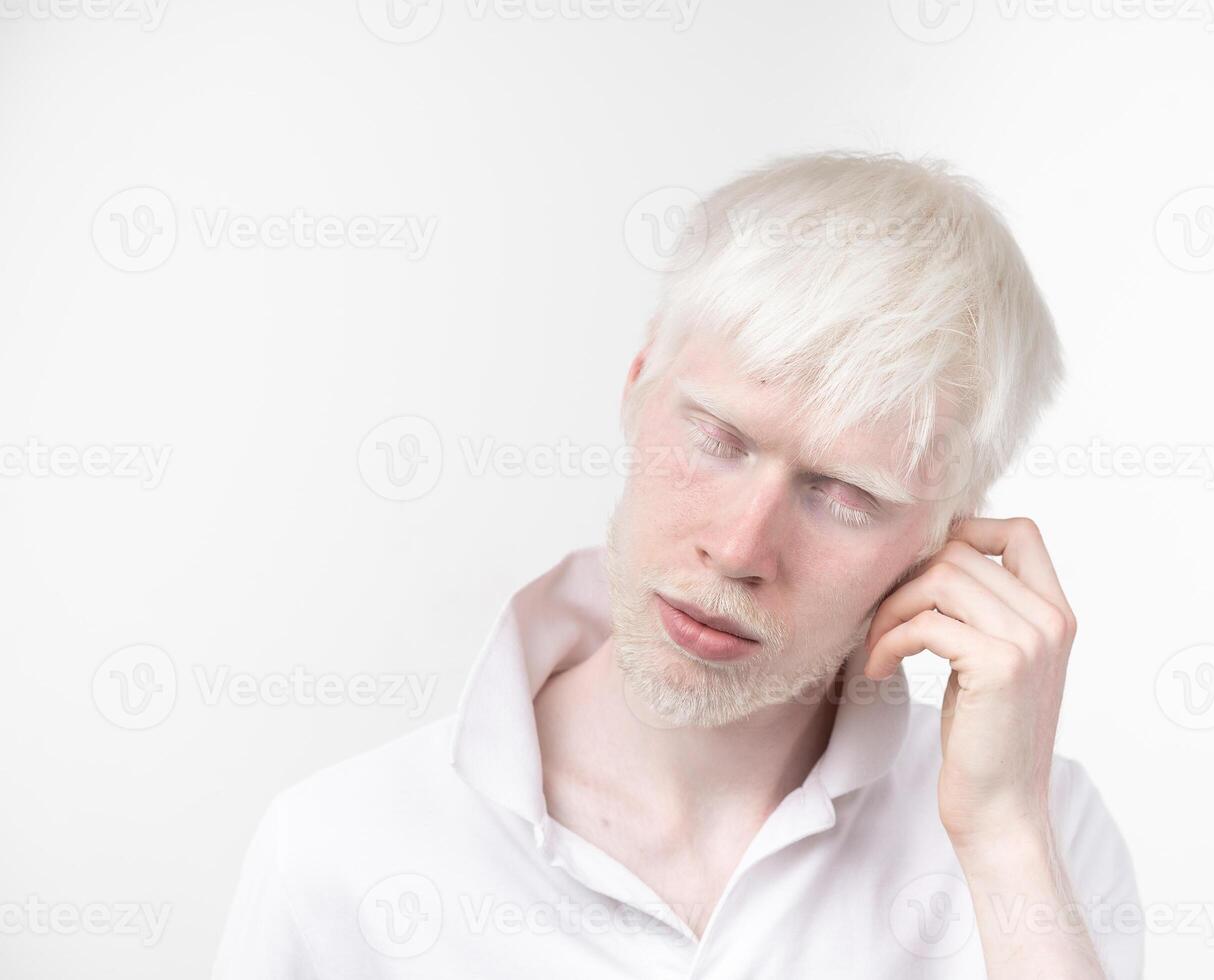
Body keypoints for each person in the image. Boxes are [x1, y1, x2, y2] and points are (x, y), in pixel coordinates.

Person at [213, 150, 1143, 979]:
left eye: (844, 496)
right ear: (637, 387)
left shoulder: (1037, 831)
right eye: (715, 439)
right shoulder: (340, 849)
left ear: (945, 540)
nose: (739, 550)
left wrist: (1006, 840)